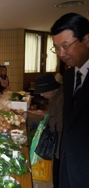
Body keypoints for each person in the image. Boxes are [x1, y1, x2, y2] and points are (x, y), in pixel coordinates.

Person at [50, 13, 89, 187]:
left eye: (65, 46)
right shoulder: (68, 75)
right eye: (56, 48)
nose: (61, 53)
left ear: (86, 40)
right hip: (66, 166)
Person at [28, 73, 63, 188]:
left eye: (44, 92)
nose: (42, 95)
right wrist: (43, 114)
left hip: (61, 143)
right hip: (58, 141)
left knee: (58, 173)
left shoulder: (61, 99)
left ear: (52, 88)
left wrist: (47, 118)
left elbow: (60, 124)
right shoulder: (56, 96)